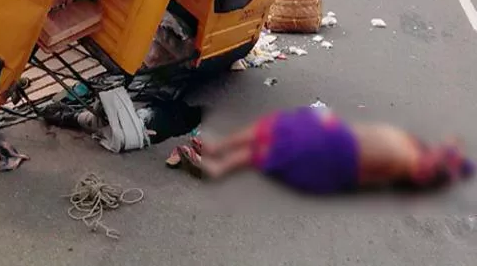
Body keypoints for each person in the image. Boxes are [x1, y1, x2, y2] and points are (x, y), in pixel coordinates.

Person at [166, 106, 474, 195]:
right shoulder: (419, 157)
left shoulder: (417, 168)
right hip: (339, 143)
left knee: (277, 138)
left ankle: (216, 164)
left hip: (338, 154)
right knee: (278, 127)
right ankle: (217, 149)